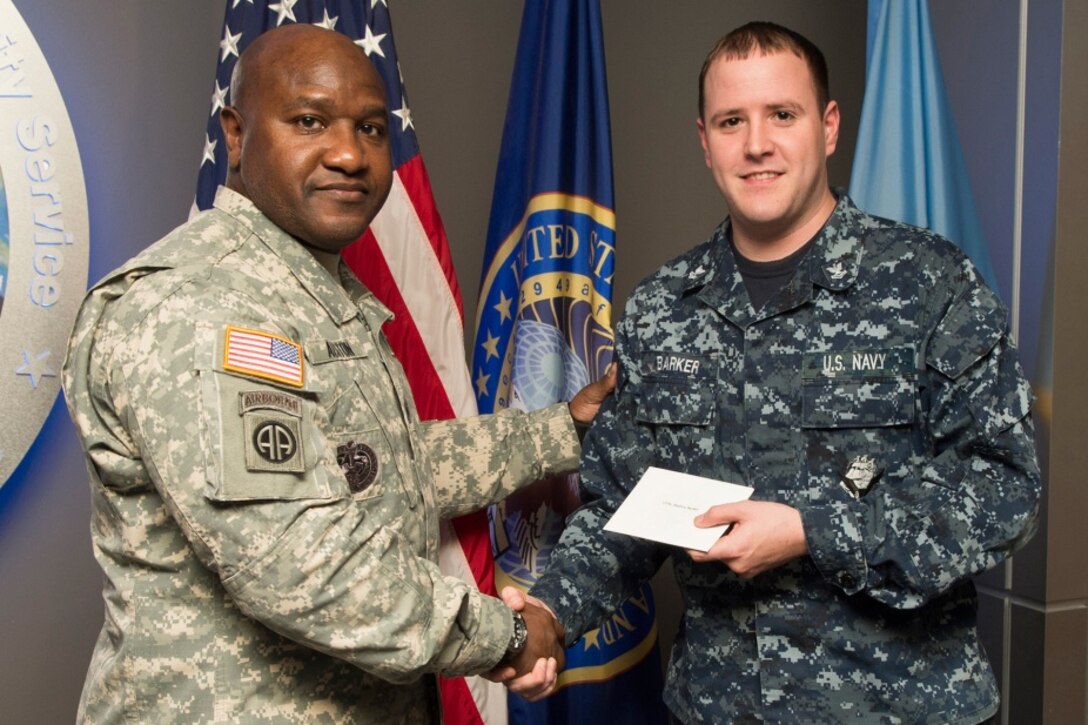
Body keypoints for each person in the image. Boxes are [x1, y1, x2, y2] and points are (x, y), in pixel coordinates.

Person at [62, 24, 611, 723]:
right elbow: (300, 564)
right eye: (309, 121)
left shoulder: (310, 289)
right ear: (235, 134)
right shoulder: (204, 304)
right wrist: (505, 634)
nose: (350, 154)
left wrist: (563, 429)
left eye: (373, 129)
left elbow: (381, 470)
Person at [500, 21, 1041, 723]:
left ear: (828, 126)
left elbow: (1005, 486)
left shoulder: (930, 284)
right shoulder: (663, 307)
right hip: (718, 706)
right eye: (732, 120)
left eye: (782, 114)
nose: (756, 143)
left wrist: (813, 529)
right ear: (705, 139)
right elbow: (620, 511)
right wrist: (547, 615)